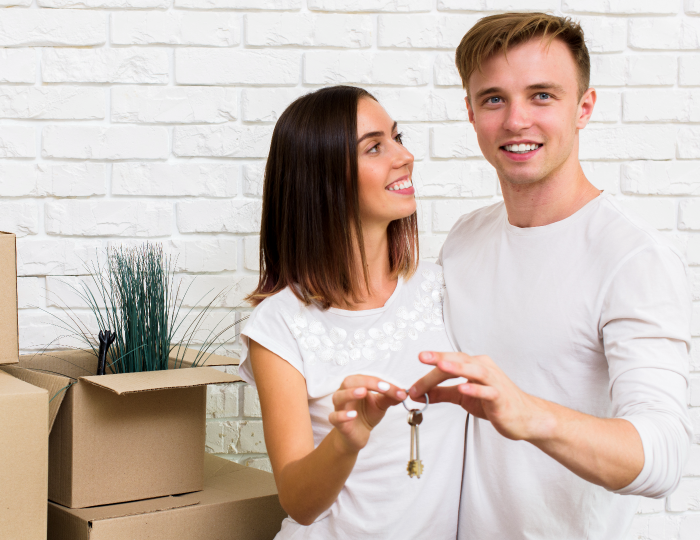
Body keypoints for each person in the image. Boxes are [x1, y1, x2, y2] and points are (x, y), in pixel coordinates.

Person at [408, 13, 693, 539]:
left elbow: (665, 455)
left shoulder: (634, 258)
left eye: (542, 95)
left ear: (583, 108)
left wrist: (532, 414)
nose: (517, 120)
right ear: (470, 113)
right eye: (494, 99)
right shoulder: (465, 239)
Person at [237, 85, 467, 539]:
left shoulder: (445, 288)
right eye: (375, 147)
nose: (403, 156)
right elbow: (300, 505)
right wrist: (348, 437)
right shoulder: (279, 326)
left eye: (398, 138)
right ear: (323, 178)